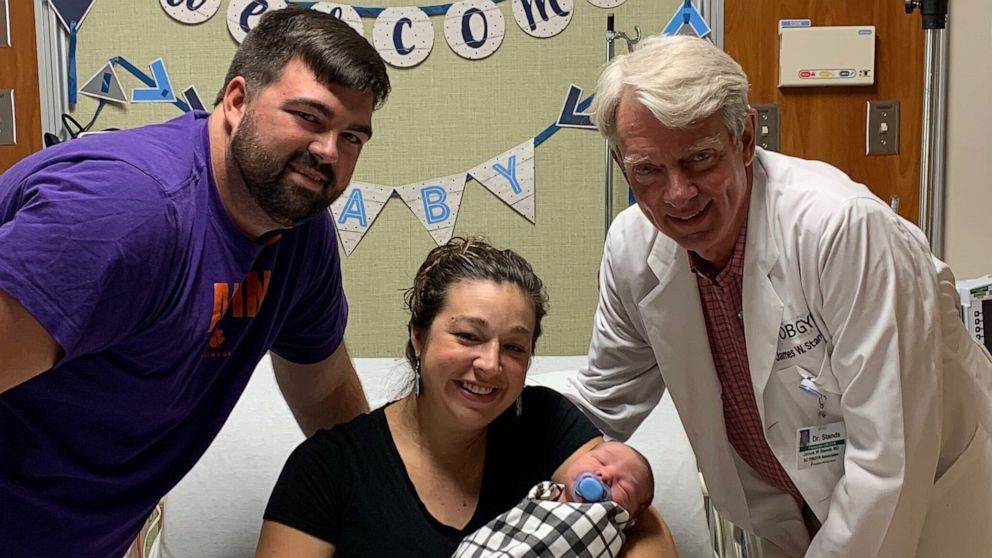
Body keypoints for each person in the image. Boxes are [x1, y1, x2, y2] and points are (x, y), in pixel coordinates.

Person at [570, 35, 992, 558]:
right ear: (621, 164)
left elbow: (890, 459)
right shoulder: (633, 247)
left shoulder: (841, 230)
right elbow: (603, 405)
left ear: (745, 138)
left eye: (699, 159)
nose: (677, 194)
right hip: (792, 516)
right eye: (648, 170)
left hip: (931, 508)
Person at [0, 8, 390, 557]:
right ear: (237, 101)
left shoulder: (300, 235)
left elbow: (324, 392)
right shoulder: (125, 212)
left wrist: (393, 507)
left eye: (351, 136)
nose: (328, 151)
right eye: (308, 116)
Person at [255, 237, 678, 557]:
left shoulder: (542, 422)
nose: (491, 364)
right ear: (418, 338)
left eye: (514, 347)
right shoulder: (328, 469)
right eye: (468, 337)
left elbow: (641, 526)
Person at [453, 441, 657, 558]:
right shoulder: (545, 494)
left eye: (625, 487)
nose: (605, 475)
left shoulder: (603, 523)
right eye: (600, 461)